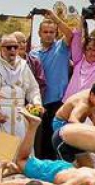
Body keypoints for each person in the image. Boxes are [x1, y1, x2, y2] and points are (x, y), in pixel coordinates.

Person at [0, 34, 42, 184]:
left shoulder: (23, 66)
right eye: (8, 47)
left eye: (15, 47)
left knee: (21, 152)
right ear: (1, 48)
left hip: (19, 117)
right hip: (0, 118)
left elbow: (33, 88)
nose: (12, 50)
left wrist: (37, 103)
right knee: (0, 156)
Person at [11, 110, 95, 185]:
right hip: (50, 173)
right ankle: (33, 125)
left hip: (67, 167)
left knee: (22, 165)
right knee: (21, 160)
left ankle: (17, 169)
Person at [30, 9, 74, 160]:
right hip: (39, 102)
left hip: (58, 102)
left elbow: (70, 35)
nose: (48, 34)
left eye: (51, 32)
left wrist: (54, 17)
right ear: (39, 33)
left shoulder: (61, 47)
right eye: (45, 32)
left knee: (56, 140)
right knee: (40, 141)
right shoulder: (33, 54)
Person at [63, 13, 95, 100]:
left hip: (89, 106)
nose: (93, 53)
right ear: (84, 50)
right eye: (89, 49)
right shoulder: (78, 61)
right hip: (69, 102)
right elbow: (76, 40)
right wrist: (81, 21)